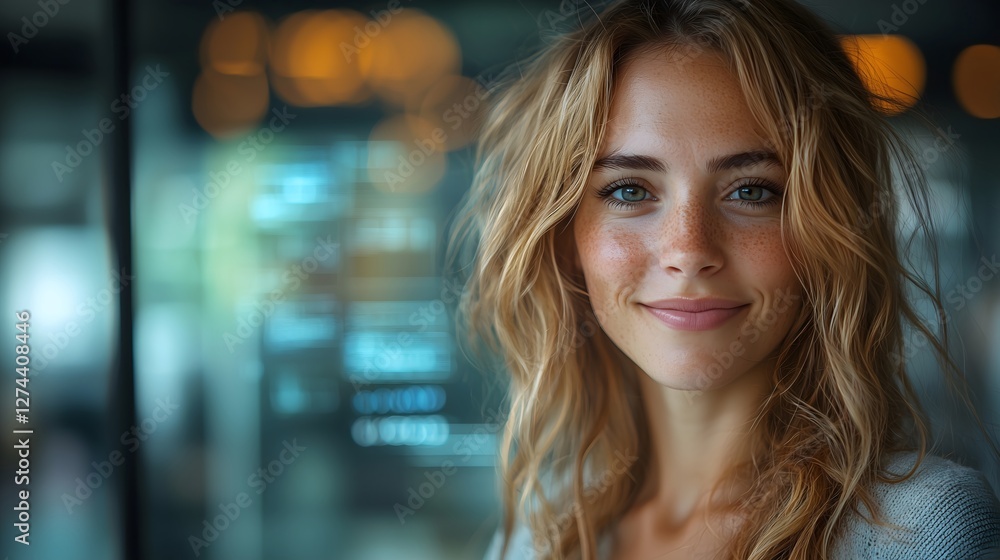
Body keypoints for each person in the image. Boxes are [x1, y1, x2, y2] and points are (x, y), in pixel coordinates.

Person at [444, 0, 1000, 558]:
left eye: (752, 190)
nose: (689, 251)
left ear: (829, 231)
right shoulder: (541, 528)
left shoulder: (926, 530)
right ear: (566, 236)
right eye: (630, 190)